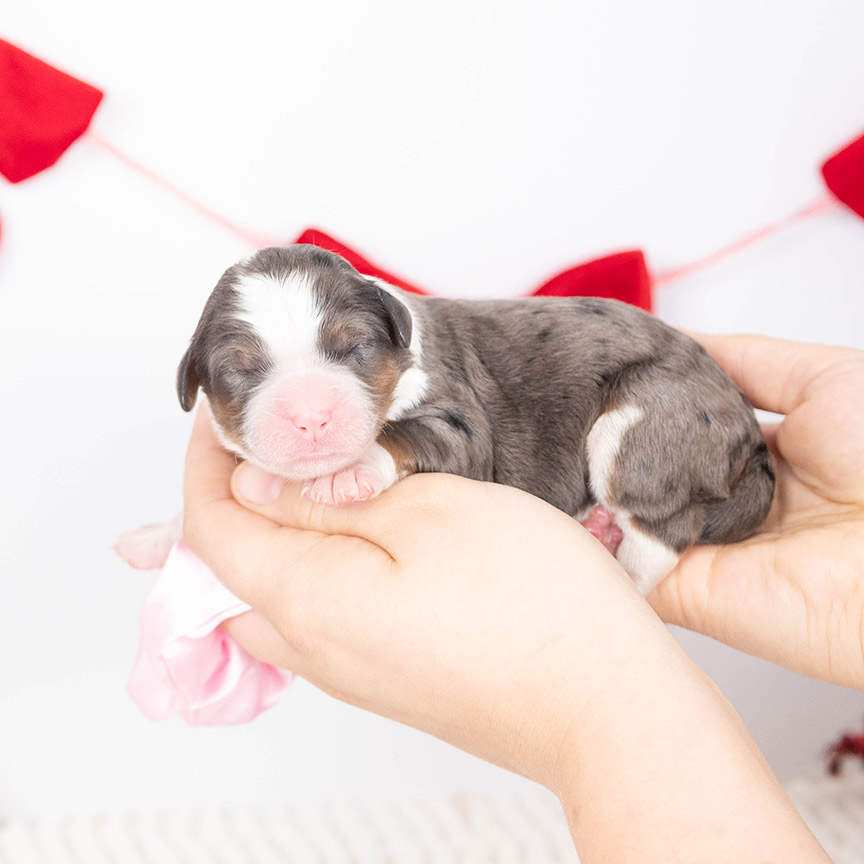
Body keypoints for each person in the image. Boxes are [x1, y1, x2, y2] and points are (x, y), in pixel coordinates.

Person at [182, 332, 864, 862]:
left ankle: (648, 541)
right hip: (679, 467)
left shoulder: (437, 392)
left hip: (664, 446)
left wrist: (593, 705)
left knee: (644, 459)